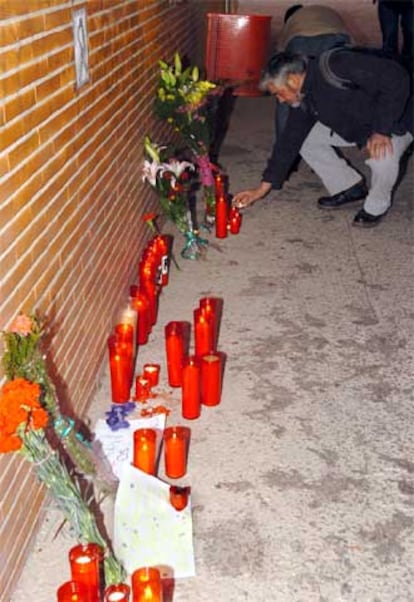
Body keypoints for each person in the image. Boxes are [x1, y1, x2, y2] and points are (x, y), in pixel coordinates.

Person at [232, 49, 413, 227]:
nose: (280, 100)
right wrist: (261, 190)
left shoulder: (337, 65)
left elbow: (397, 77)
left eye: (279, 93)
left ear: (293, 79)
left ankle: (376, 206)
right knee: (305, 139)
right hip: (359, 128)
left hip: (395, 122)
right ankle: (349, 187)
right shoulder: (304, 98)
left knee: (382, 158)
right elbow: (288, 142)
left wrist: (381, 130)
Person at [276, 4, 351, 139]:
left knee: (286, 92)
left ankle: (284, 143)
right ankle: (343, 133)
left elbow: (280, 58)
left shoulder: (291, 23)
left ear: (288, 19)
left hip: (301, 41)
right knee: (335, 86)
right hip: (335, 39)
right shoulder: (323, 11)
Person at [374, 0, 413, 74]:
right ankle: (391, 75)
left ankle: (408, 71)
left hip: (410, 4)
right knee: (390, 41)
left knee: (410, 36)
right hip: (387, 4)